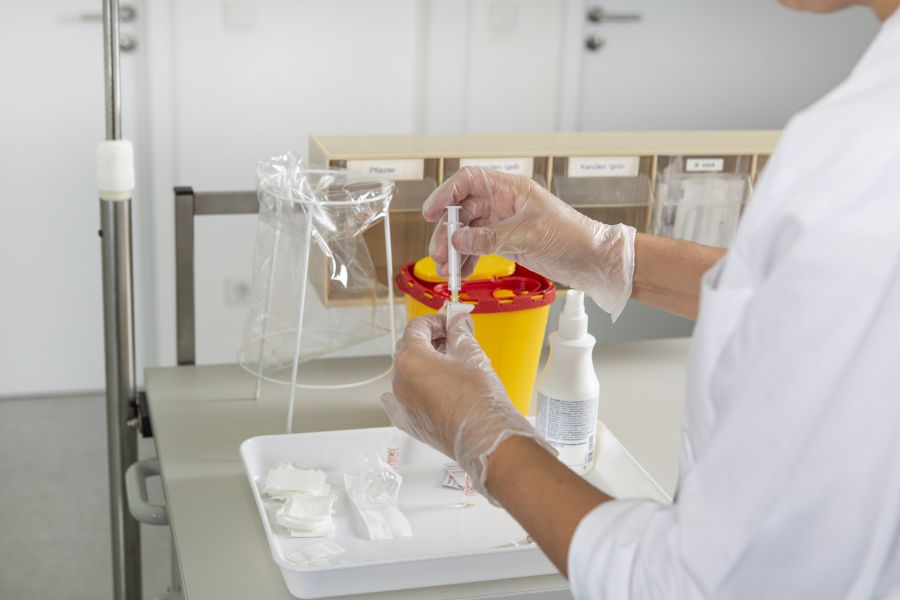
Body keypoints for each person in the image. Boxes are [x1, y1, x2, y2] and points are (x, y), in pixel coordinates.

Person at [380, 0, 900, 597]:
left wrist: (486, 439)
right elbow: (802, 299)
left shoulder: (870, 161)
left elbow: (703, 583)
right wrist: (602, 252)